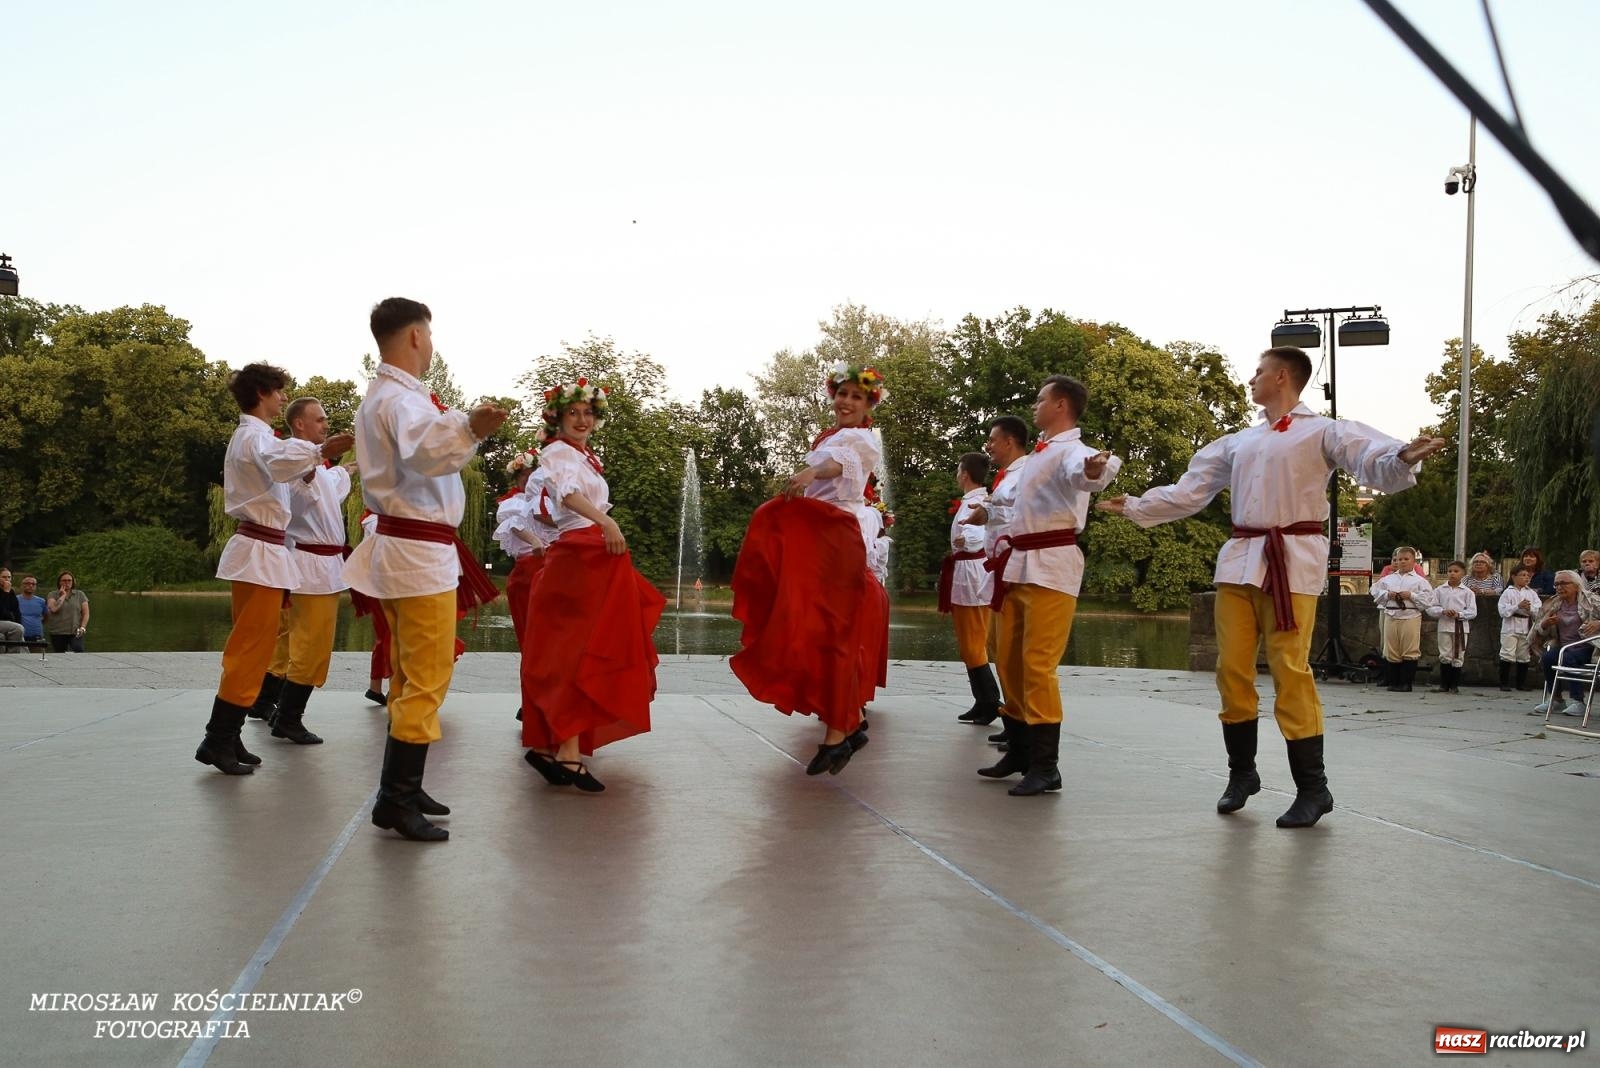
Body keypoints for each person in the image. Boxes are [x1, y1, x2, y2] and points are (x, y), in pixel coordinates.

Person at [1100, 347, 1445, 828]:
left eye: (1259, 371)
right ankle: (1242, 774)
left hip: (1292, 565)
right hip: (1240, 563)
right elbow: (1189, 492)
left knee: (1289, 667)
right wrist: (1138, 505)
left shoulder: (1323, 430)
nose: (1251, 379)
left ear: (1282, 377)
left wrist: (1402, 454)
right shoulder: (1238, 442)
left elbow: (1369, 455)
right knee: (1231, 669)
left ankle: (1313, 788)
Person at [342, 298, 507, 840]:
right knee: (429, 673)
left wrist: (460, 426)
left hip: (404, 547)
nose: (432, 345)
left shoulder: (385, 396)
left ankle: (404, 787)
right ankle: (397, 796)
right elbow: (428, 453)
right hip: (418, 553)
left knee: (411, 672)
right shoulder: (400, 399)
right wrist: (471, 426)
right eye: (429, 335)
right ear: (415, 336)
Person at [194, 363, 351, 775]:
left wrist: (325, 460)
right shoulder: (253, 438)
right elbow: (280, 462)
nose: (282, 398)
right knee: (249, 648)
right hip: (259, 552)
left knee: (257, 647)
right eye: (279, 391)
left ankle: (227, 735)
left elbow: (286, 467)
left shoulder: (259, 438)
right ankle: (218, 738)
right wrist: (321, 451)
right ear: (263, 392)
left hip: (264, 552)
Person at [731, 363, 887, 776]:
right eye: (842, 394)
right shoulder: (833, 436)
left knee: (833, 632)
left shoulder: (859, 439)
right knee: (822, 630)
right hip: (820, 536)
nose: (847, 402)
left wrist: (810, 471)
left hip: (835, 538)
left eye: (857, 396)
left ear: (869, 403)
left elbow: (841, 466)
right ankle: (847, 723)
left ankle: (840, 732)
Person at [520, 379, 664, 792]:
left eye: (588, 413)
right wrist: (607, 522)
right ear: (559, 418)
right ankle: (565, 752)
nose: (582, 420)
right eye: (573, 413)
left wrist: (602, 526)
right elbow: (566, 497)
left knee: (580, 650)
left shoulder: (584, 457)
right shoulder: (558, 452)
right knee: (580, 651)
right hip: (582, 553)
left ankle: (557, 748)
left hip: (591, 552)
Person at [984, 375, 1121, 797]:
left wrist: (1095, 468)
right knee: (1009, 660)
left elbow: (1085, 471)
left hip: (1052, 565)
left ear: (1061, 405)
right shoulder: (1040, 454)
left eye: (1040, 399)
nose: (1034, 405)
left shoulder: (1071, 451)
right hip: (1021, 563)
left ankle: (1046, 765)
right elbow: (1017, 501)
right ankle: (1022, 750)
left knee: (1038, 664)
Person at [265, 398, 356, 746]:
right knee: (309, 647)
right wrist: (318, 453)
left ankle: (280, 711)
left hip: (325, 567)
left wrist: (357, 464)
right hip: (311, 567)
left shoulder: (317, 468)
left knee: (313, 647)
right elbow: (295, 483)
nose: (325, 424)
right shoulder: (294, 458)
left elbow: (336, 479)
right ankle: (288, 718)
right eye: (319, 420)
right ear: (299, 424)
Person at [962, 415, 1031, 745]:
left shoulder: (1027, 471)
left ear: (1009, 442)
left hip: (1016, 566)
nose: (988, 445)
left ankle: (1027, 731)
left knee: (1022, 656)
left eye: (992, 439)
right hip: (1001, 568)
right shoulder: (1008, 477)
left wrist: (986, 513)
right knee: (1004, 653)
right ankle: (1015, 724)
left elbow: (1017, 513)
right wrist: (988, 513)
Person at [494, 448, 558, 722]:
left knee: (555, 641)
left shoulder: (549, 498)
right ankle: (531, 702)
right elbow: (514, 526)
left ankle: (550, 701)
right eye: (523, 474)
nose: (528, 477)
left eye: (530, 472)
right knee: (531, 642)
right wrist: (534, 541)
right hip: (529, 572)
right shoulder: (513, 503)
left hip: (555, 567)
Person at [939, 451, 1001, 725]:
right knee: (968, 643)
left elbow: (980, 535)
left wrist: (969, 539)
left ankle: (990, 701)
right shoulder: (972, 501)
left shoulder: (980, 502)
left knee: (974, 642)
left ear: (964, 474)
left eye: (957, 469)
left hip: (972, 575)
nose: (956, 474)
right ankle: (982, 700)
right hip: (964, 573)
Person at [1531, 570, 1600, 716]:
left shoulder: (1592, 600)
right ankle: (1556, 699)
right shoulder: (1553, 603)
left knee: (1569, 658)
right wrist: (1545, 624)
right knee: (1548, 657)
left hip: (1589, 646)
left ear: (1576, 585)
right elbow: (1538, 631)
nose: (1559, 587)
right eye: (1556, 584)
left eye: (1563, 583)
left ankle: (1578, 701)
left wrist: (1598, 623)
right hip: (1564, 645)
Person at [1371, 547, 1434, 693]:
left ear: (1413, 561)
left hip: (1410, 615)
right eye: (1399, 559)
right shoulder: (1388, 579)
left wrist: (1411, 595)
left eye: (1406, 559)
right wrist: (1388, 595)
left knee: (1409, 649)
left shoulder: (1420, 581)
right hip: (1391, 614)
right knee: (1392, 649)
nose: (1402, 562)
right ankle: (1393, 681)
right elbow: (1374, 590)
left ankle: (1406, 683)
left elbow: (1428, 599)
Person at [1426, 560, 1476, 694]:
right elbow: (1430, 608)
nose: (1452, 574)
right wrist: (1442, 611)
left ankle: (1454, 685)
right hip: (1444, 626)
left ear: (1463, 574)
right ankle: (1444, 684)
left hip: (1460, 627)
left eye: (1456, 571)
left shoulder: (1468, 592)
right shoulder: (1439, 590)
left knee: (1458, 655)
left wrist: (1459, 614)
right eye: (1450, 571)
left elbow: (1472, 612)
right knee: (1444, 654)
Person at [1497, 565, 1539, 692]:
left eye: (1527, 575)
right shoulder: (1508, 592)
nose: (1526, 578)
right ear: (1514, 577)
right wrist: (1517, 606)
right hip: (1511, 626)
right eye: (1522, 575)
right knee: (1507, 654)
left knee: (1524, 655)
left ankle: (1520, 683)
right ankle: (1504, 683)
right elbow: (1502, 611)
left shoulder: (1531, 593)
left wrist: (1529, 609)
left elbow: (1539, 610)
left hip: (1526, 626)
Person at [43, 572, 90, 652]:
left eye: (69, 580)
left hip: (75, 632)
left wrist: (83, 627)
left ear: (73, 582)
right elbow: (54, 609)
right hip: (58, 632)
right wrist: (63, 595)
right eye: (64, 580)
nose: (67, 583)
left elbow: (85, 613)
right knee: (59, 655)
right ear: (59, 582)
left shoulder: (80, 594)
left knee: (78, 650)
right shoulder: (52, 594)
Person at [16, 576, 47, 644]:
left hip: (37, 636)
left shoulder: (41, 601)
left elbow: (46, 616)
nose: (30, 585)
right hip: (19, 636)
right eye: (27, 583)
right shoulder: (15, 600)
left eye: (33, 584)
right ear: (22, 585)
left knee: (36, 654)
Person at [0, 568, 23, 650]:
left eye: (9, 577)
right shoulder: (6, 591)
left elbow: (16, 611)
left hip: (6, 623)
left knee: (19, 631)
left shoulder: (11, 592)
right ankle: (12, 654)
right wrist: (5, 592)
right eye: (4, 577)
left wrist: (19, 623)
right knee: (17, 628)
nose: (7, 579)